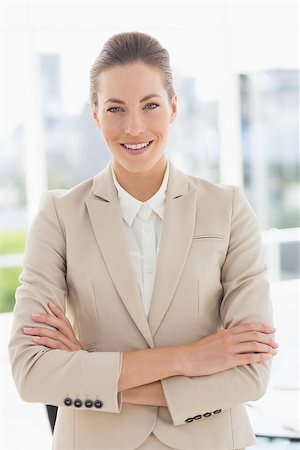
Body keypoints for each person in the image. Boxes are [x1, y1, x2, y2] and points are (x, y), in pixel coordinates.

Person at [8, 31, 277, 450]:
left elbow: (251, 373)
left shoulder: (227, 208)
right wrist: (188, 359)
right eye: (115, 108)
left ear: (173, 107)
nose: (134, 126)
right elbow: (31, 372)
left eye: (150, 105)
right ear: (95, 114)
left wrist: (89, 369)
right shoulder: (59, 215)